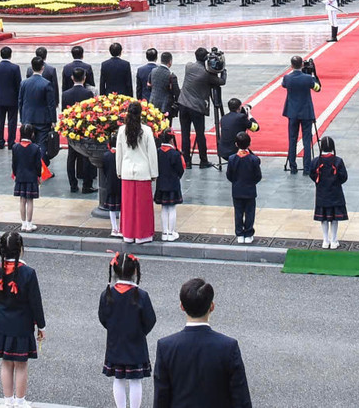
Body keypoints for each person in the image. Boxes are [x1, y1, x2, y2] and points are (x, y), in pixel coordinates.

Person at [151, 277, 253, 408]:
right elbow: (241, 398)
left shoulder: (166, 347)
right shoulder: (228, 347)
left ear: (182, 306)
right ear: (212, 306)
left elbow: (161, 398)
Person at [0, 228, 45, 408]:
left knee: (6, 363)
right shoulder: (28, 273)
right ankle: (20, 401)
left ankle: (7, 401)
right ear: (20, 249)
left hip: (2, 323)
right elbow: (35, 302)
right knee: (21, 364)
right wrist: (41, 326)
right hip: (22, 325)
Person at [99, 251, 156, 408]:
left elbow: (103, 318)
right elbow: (150, 320)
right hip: (136, 342)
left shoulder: (107, 294)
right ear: (135, 271)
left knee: (119, 379)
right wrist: (140, 332)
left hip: (115, 342)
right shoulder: (141, 295)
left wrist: (114, 329)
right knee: (135, 380)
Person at [114, 101, 158, 244]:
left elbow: (119, 153)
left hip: (126, 171)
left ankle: (128, 234)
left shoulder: (122, 130)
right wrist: (154, 173)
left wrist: (119, 170)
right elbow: (151, 153)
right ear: (141, 114)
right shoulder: (146, 130)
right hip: (143, 172)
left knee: (128, 207)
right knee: (142, 207)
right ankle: (142, 235)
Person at [177, 51, 220, 168]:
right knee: (200, 134)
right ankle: (203, 160)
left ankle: (186, 160)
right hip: (196, 107)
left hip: (183, 104)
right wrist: (222, 71)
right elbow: (221, 82)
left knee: (185, 134)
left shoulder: (188, 66)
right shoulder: (207, 73)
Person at [308, 134, 349, 250]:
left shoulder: (316, 161)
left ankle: (325, 240)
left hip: (322, 194)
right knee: (334, 219)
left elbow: (312, 174)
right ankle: (334, 240)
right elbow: (344, 177)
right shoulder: (338, 161)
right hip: (335, 194)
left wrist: (319, 183)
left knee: (324, 219)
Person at [224, 131, 261, 244]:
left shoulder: (232, 159)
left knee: (238, 212)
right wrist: (251, 183)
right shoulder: (254, 160)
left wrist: (235, 182)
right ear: (249, 144)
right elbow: (258, 176)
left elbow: (229, 175)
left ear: (236, 144)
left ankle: (239, 233)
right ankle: (249, 233)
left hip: (237, 190)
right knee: (250, 212)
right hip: (250, 190)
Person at [11, 124, 45, 231]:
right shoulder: (35, 148)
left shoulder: (15, 147)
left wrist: (15, 174)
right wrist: (39, 176)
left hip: (20, 176)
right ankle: (30, 224)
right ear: (32, 134)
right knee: (30, 200)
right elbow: (38, 165)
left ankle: (23, 223)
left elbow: (14, 164)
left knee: (22, 200)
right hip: (31, 177)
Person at [154, 130, 186, 241]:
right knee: (172, 208)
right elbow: (180, 170)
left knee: (164, 208)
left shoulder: (158, 152)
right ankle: (171, 232)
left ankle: (165, 232)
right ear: (171, 139)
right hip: (172, 184)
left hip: (161, 184)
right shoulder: (175, 153)